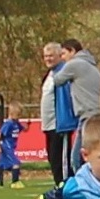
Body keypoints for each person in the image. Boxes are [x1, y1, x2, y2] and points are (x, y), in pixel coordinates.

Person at [53, 39, 100, 175]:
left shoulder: (75, 64)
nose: (62, 58)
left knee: (76, 159)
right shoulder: (91, 64)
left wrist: (55, 65)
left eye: (63, 54)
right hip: (96, 113)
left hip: (87, 115)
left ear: (72, 51)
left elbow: (57, 80)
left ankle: (85, 188)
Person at [40, 43, 67, 186]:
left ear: (59, 56)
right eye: (46, 56)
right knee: (52, 159)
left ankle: (64, 188)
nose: (48, 59)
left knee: (60, 162)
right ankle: (59, 186)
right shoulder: (49, 74)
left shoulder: (63, 73)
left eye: (51, 56)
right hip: (48, 125)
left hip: (59, 125)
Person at [0, 102, 26, 189]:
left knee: (0, 166)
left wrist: (26, 127)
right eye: (18, 115)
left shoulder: (16, 123)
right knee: (16, 162)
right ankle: (15, 182)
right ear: (12, 114)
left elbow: (23, 129)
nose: (19, 117)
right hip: (6, 147)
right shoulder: (8, 124)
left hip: (10, 147)